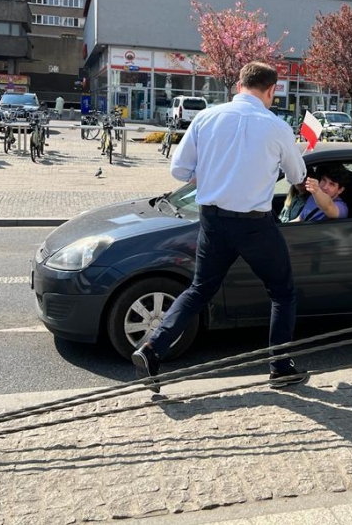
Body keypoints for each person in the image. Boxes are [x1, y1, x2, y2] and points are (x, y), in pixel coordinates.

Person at [132, 61, 309, 392]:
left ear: (238, 85)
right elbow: (298, 175)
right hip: (255, 226)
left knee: (200, 289)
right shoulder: (277, 127)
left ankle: (153, 348)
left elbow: (179, 171)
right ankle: (280, 366)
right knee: (282, 293)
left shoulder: (206, 117)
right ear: (271, 90)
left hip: (213, 221)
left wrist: (213, 174)